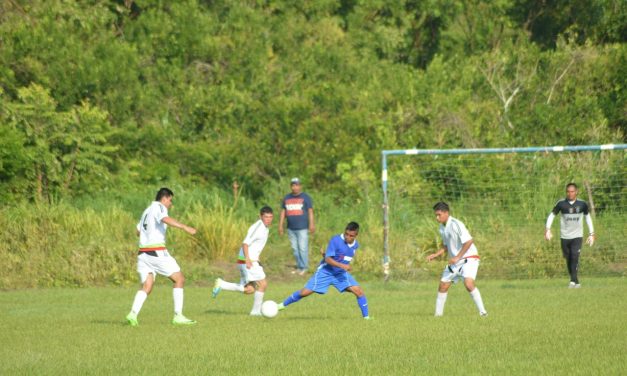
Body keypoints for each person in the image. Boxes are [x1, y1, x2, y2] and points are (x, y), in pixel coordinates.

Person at [126, 188, 198, 326]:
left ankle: (133, 314)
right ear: (164, 198)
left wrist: (149, 235)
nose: (171, 204)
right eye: (170, 200)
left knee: (147, 285)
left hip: (143, 253)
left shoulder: (146, 211)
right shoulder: (159, 207)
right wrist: (185, 227)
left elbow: (137, 231)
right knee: (180, 279)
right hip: (156, 252)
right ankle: (178, 316)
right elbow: (164, 219)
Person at [277, 222, 372, 320]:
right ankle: (281, 305)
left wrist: (330, 257)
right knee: (304, 292)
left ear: (356, 235)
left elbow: (339, 255)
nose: (347, 237)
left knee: (359, 291)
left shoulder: (355, 246)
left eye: (351, 235)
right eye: (346, 234)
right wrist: (341, 264)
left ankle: (367, 318)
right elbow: (328, 260)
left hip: (340, 273)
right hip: (326, 272)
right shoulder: (336, 240)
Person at [426, 202, 487, 317]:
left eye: (439, 215)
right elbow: (446, 246)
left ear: (446, 213)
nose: (437, 218)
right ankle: (438, 316)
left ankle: (483, 313)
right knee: (443, 285)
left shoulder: (456, 224)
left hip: (469, 258)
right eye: (435, 215)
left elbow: (469, 241)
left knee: (468, 283)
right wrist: (435, 254)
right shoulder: (441, 227)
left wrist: (458, 257)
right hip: (456, 261)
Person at [212, 206, 274, 316]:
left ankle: (222, 284)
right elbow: (245, 243)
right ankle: (255, 312)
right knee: (263, 284)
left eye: (270, 217)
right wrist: (248, 259)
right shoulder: (258, 227)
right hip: (248, 261)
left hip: (247, 260)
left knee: (249, 289)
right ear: (260, 216)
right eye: (266, 217)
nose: (268, 219)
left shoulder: (265, 228)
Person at [544, 183, 595, 288]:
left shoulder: (582, 204)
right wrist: (547, 229)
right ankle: (576, 281)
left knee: (574, 256)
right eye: (568, 191)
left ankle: (572, 281)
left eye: (572, 191)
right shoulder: (561, 204)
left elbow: (588, 218)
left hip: (577, 236)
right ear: (566, 192)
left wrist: (592, 233)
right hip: (565, 237)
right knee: (569, 258)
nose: (570, 193)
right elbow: (552, 215)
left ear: (576, 192)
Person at [279, 177, 315, 275]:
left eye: (297, 185)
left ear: (300, 186)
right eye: (293, 185)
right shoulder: (287, 198)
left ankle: (305, 267)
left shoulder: (305, 197)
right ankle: (299, 267)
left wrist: (312, 224)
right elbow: (283, 212)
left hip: (302, 228)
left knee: (303, 248)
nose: (295, 187)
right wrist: (280, 225)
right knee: (295, 249)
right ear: (291, 186)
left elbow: (310, 211)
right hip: (291, 228)